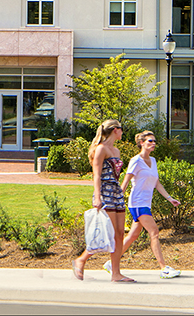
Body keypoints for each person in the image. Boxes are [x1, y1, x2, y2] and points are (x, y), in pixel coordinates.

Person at [104, 130, 181, 279]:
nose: (153, 143)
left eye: (154, 141)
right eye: (150, 141)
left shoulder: (153, 161)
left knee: (133, 235)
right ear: (142, 143)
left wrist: (169, 198)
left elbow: (156, 183)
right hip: (137, 203)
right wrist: (116, 198)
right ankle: (164, 268)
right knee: (154, 232)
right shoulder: (136, 160)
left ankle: (110, 263)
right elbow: (125, 181)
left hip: (146, 202)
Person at [72, 119, 134, 282]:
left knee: (120, 233)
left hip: (116, 192)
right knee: (110, 233)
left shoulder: (116, 150)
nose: (122, 132)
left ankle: (116, 273)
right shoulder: (101, 149)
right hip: (104, 192)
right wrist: (97, 196)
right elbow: (96, 175)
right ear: (115, 130)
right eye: (121, 129)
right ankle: (81, 259)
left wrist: (120, 190)